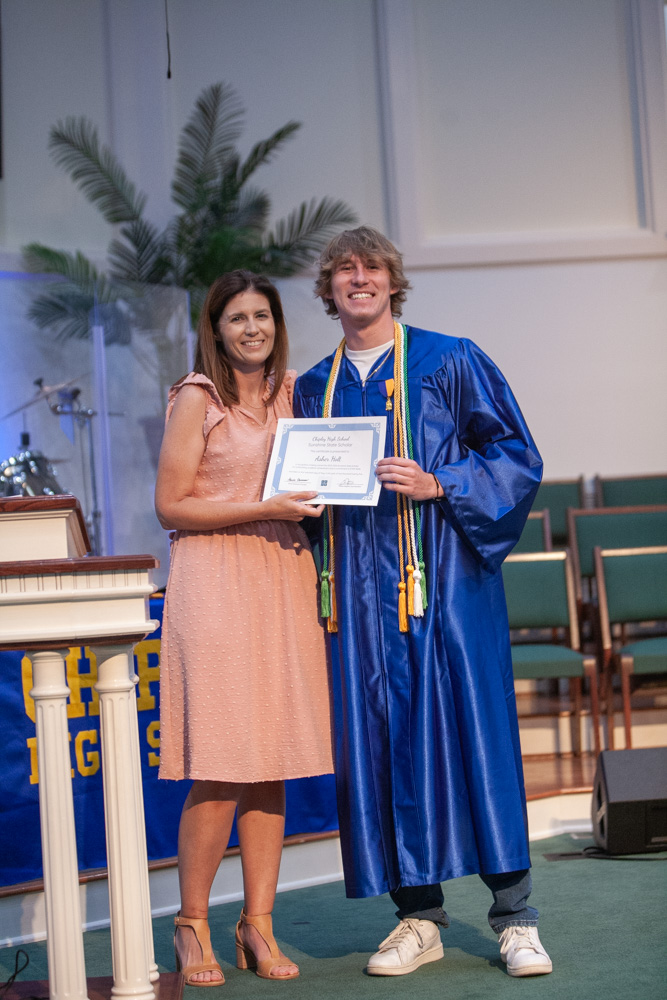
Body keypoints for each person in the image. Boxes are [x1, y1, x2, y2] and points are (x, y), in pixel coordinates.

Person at [293, 227, 552, 979]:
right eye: (344, 270)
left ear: (392, 281)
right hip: (359, 603)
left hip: (445, 589)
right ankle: (418, 918)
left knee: (476, 735)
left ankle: (516, 918)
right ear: (329, 289)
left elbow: (516, 456)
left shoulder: (450, 359)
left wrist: (443, 482)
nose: (358, 279)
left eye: (370, 267)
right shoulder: (314, 386)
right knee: (378, 744)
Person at [155, 269, 333, 986]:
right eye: (237, 318)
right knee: (223, 760)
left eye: (262, 315)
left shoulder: (295, 393)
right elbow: (171, 505)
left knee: (273, 757)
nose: (252, 328)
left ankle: (258, 923)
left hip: (283, 574)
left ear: (277, 325)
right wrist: (264, 505)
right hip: (214, 578)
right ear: (216, 328)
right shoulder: (197, 397)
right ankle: (191, 923)